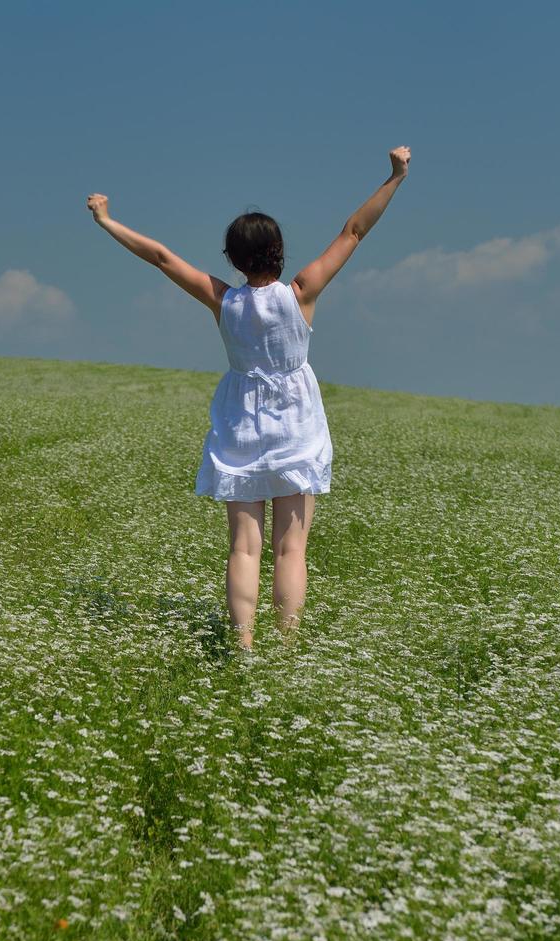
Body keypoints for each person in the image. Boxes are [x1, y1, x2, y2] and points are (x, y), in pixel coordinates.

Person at [87, 145, 410, 651]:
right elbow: (354, 231)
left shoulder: (223, 300)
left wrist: (107, 220)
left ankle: (242, 646)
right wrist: (394, 178)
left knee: (243, 547)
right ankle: (284, 645)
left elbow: (160, 256)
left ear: (232, 258)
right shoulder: (301, 292)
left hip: (241, 424)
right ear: (279, 250)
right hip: (297, 425)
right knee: (290, 548)